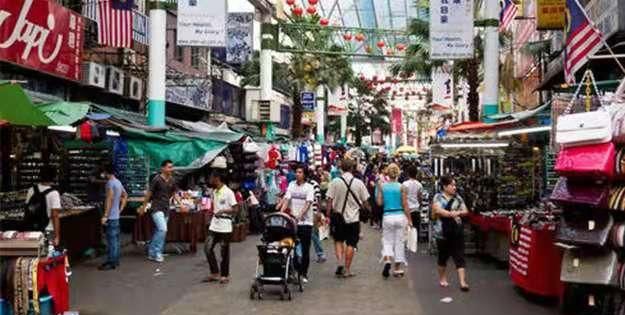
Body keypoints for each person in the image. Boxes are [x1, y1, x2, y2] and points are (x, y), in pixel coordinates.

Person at [326, 159, 370, 278]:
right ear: (352, 169)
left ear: (342, 168)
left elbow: (329, 200)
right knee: (351, 243)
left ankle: (340, 262)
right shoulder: (358, 183)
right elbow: (365, 201)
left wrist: (328, 215)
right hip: (353, 219)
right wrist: (368, 211)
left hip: (338, 217)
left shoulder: (335, 182)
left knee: (338, 240)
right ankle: (347, 269)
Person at [139, 160, 186, 263]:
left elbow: (174, 193)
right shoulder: (156, 179)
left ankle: (151, 252)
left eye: (172, 167)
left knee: (158, 230)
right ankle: (157, 252)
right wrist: (143, 206)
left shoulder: (172, 180)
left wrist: (181, 204)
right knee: (163, 229)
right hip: (156, 208)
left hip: (166, 208)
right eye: (169, 167)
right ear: (163, 168)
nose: (171, 169)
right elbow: (149, 194)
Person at [432, 175, 470, 292]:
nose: (454, 187)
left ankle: (462, 282)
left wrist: (457, 213)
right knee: (443, 257)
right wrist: (451, 214)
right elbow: (437, 210)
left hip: (456, 231)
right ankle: (442, 278)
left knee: (459, 256)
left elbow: (465, 211)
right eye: (452, 185)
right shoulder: (438, 197)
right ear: (445, 186)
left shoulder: (458, 198)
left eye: (455, 185)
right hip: (442, 232)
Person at [376, 164, 413, 278]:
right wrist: (410, 220)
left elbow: (379, 203)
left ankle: (387, 259)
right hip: (400, 215)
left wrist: (379, 190)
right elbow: (405, 204)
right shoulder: (402, 187)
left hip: (387, 216)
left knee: (387, 240)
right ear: (398, 174)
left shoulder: (383, 186)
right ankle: (397, 269)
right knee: (399, 242)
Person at [281, 165, 315, 283]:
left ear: (305, 174)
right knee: (290, 247)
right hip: (292, 222)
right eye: (296, 172)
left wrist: (299, 216)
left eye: (300, 172)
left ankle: (304, 273)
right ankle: (293, 270)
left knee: (305, 249)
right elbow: (286, 199)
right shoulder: (291, 185)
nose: (297, 174)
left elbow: (308, 203)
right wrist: (281, 213)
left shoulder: (309, 188)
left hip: (306, 223)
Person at [204, 170, 239, 284]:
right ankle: (214, 272)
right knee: (207, 248)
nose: (210, 180)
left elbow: (235, 209)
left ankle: (225, 275)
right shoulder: (214, 192)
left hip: (225, 226)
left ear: (217, 178)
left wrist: (223, 210)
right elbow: (214, 207)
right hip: (214, 224)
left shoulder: (228, 192)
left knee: (224, 252)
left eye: (211, 178)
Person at [99, 164, 128, 271]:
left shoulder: (110, 184)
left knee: (111, 240)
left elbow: (109, 199)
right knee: (116, 239)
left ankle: (111, 262)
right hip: (116, 216)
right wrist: (120, 209)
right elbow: (125, 195)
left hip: (111, 216)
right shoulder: (118, 182)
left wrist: (105, 215)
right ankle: (115, 260)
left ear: (106, 172)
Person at [25, 166, 61, 247]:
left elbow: (28, 208)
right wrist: (57, 236)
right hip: (47, 229)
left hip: (32, 229)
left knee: (34, 254)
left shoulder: (31, 190)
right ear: (54, 177)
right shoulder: (54, 193)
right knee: (48, 255)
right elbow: (55, 215)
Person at [308, 171, 327, 263]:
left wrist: (318, 212)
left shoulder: (313, 184)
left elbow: (318, 198)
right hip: (299, 213)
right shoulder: (295, 183)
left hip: (313, 212)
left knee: (313, 233)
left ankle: (320, 253)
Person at [402, 165, 423, 235]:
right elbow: (420, 197)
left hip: (407, 211)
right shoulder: (419, 185)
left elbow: (403, 199)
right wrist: (420, 204)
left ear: (408, 173)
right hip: (416, 210)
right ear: (416, 174)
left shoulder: (405, 184)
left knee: (407, 233)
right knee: (415, 232)